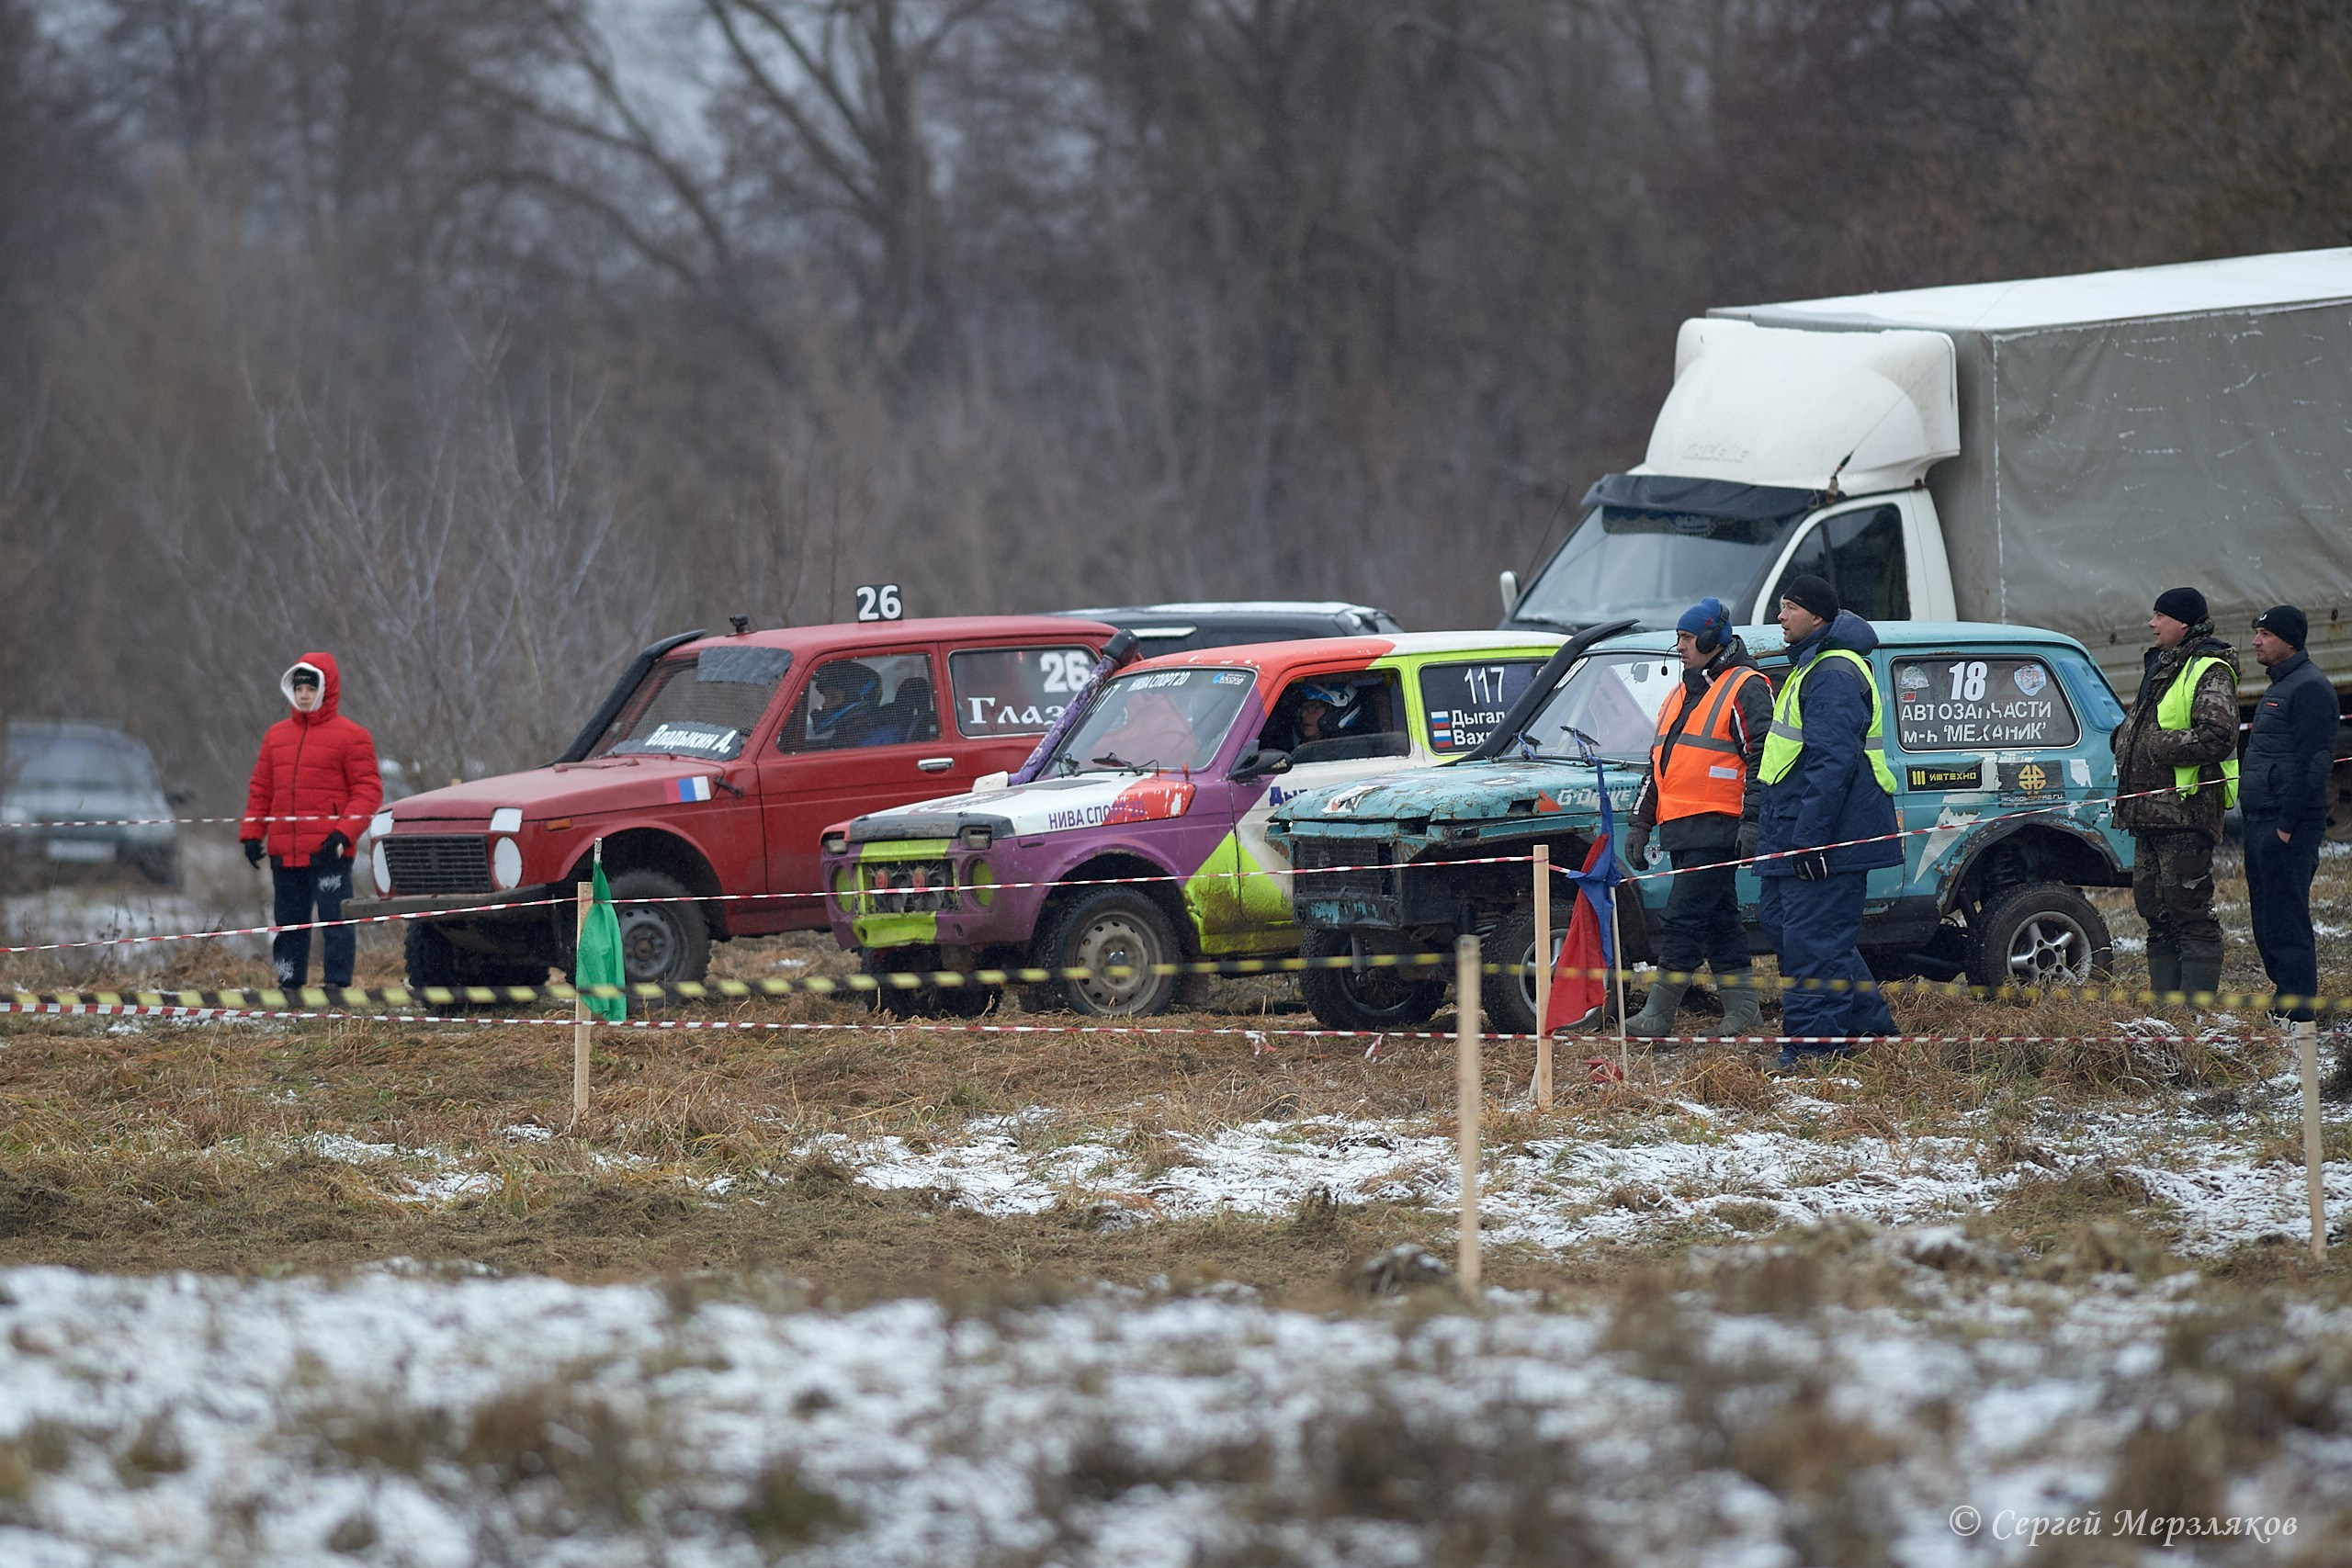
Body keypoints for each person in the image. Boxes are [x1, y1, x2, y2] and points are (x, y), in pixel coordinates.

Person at [1752, 575, 1903, 1067]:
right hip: (1794, 827)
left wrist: (1810, 841)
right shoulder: (1812, 665)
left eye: (1789, 607)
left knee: (1812, 942)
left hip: (1823, 836)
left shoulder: (1834, 672)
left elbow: (1832, 762)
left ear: (1817, 617)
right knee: (1792, 930)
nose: (1780, 616)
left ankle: (1814, 1052)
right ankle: (1870, 1029)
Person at [1624, 597, 1772, 1040]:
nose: (1680, 646)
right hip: (1682, 829)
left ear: (1712, 638)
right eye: (1680, 638)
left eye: (1687, 637)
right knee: (1717, 919)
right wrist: (1640, 823)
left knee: (1684, 917)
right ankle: (1744, 1013)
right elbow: (1659, 765)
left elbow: (1764, 757)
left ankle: (1658, 1015)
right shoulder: (1680, 693)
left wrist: (1752, 822)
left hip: (1719, 825)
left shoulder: (1746, 686)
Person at [2110, 587, 2238, 1004]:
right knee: (2155, 911)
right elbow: (2148, 722)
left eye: (2160, 616)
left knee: (2190, 912)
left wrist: (2153, 746)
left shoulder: (2209, 669)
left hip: (2184, 812)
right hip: (2148, 813)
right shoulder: (2164, 666)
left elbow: (2217, 736)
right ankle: (2166, 1010)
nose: (2152, 623)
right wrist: (2125, 739)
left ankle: (2195, 1013)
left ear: (2182, 623)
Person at [240, 653, 382, 988]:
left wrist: (343, 834)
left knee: (336, 923)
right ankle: (289, 987)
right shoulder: (276, 736)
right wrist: (251, 833)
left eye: (311, 687)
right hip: (285, 853)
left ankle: (336, 986)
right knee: (289, 926)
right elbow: (261, 788)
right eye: (299, 687)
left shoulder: (352, 736)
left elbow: (368, 792)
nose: (304, 694)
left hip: (328, 852)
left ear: (326, 689)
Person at [2239, 605, 2335, 1035]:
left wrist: (2286, 825)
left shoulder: (2310, 688)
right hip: (2263, 818)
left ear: (2289, 640)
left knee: (2287, 915)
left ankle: (2299, 1013)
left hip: (2286, 823)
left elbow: (2313, 765)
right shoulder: (2283, 684)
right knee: (2267, 914)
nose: (2256, 641)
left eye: (2265, 634)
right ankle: (2285, 999)